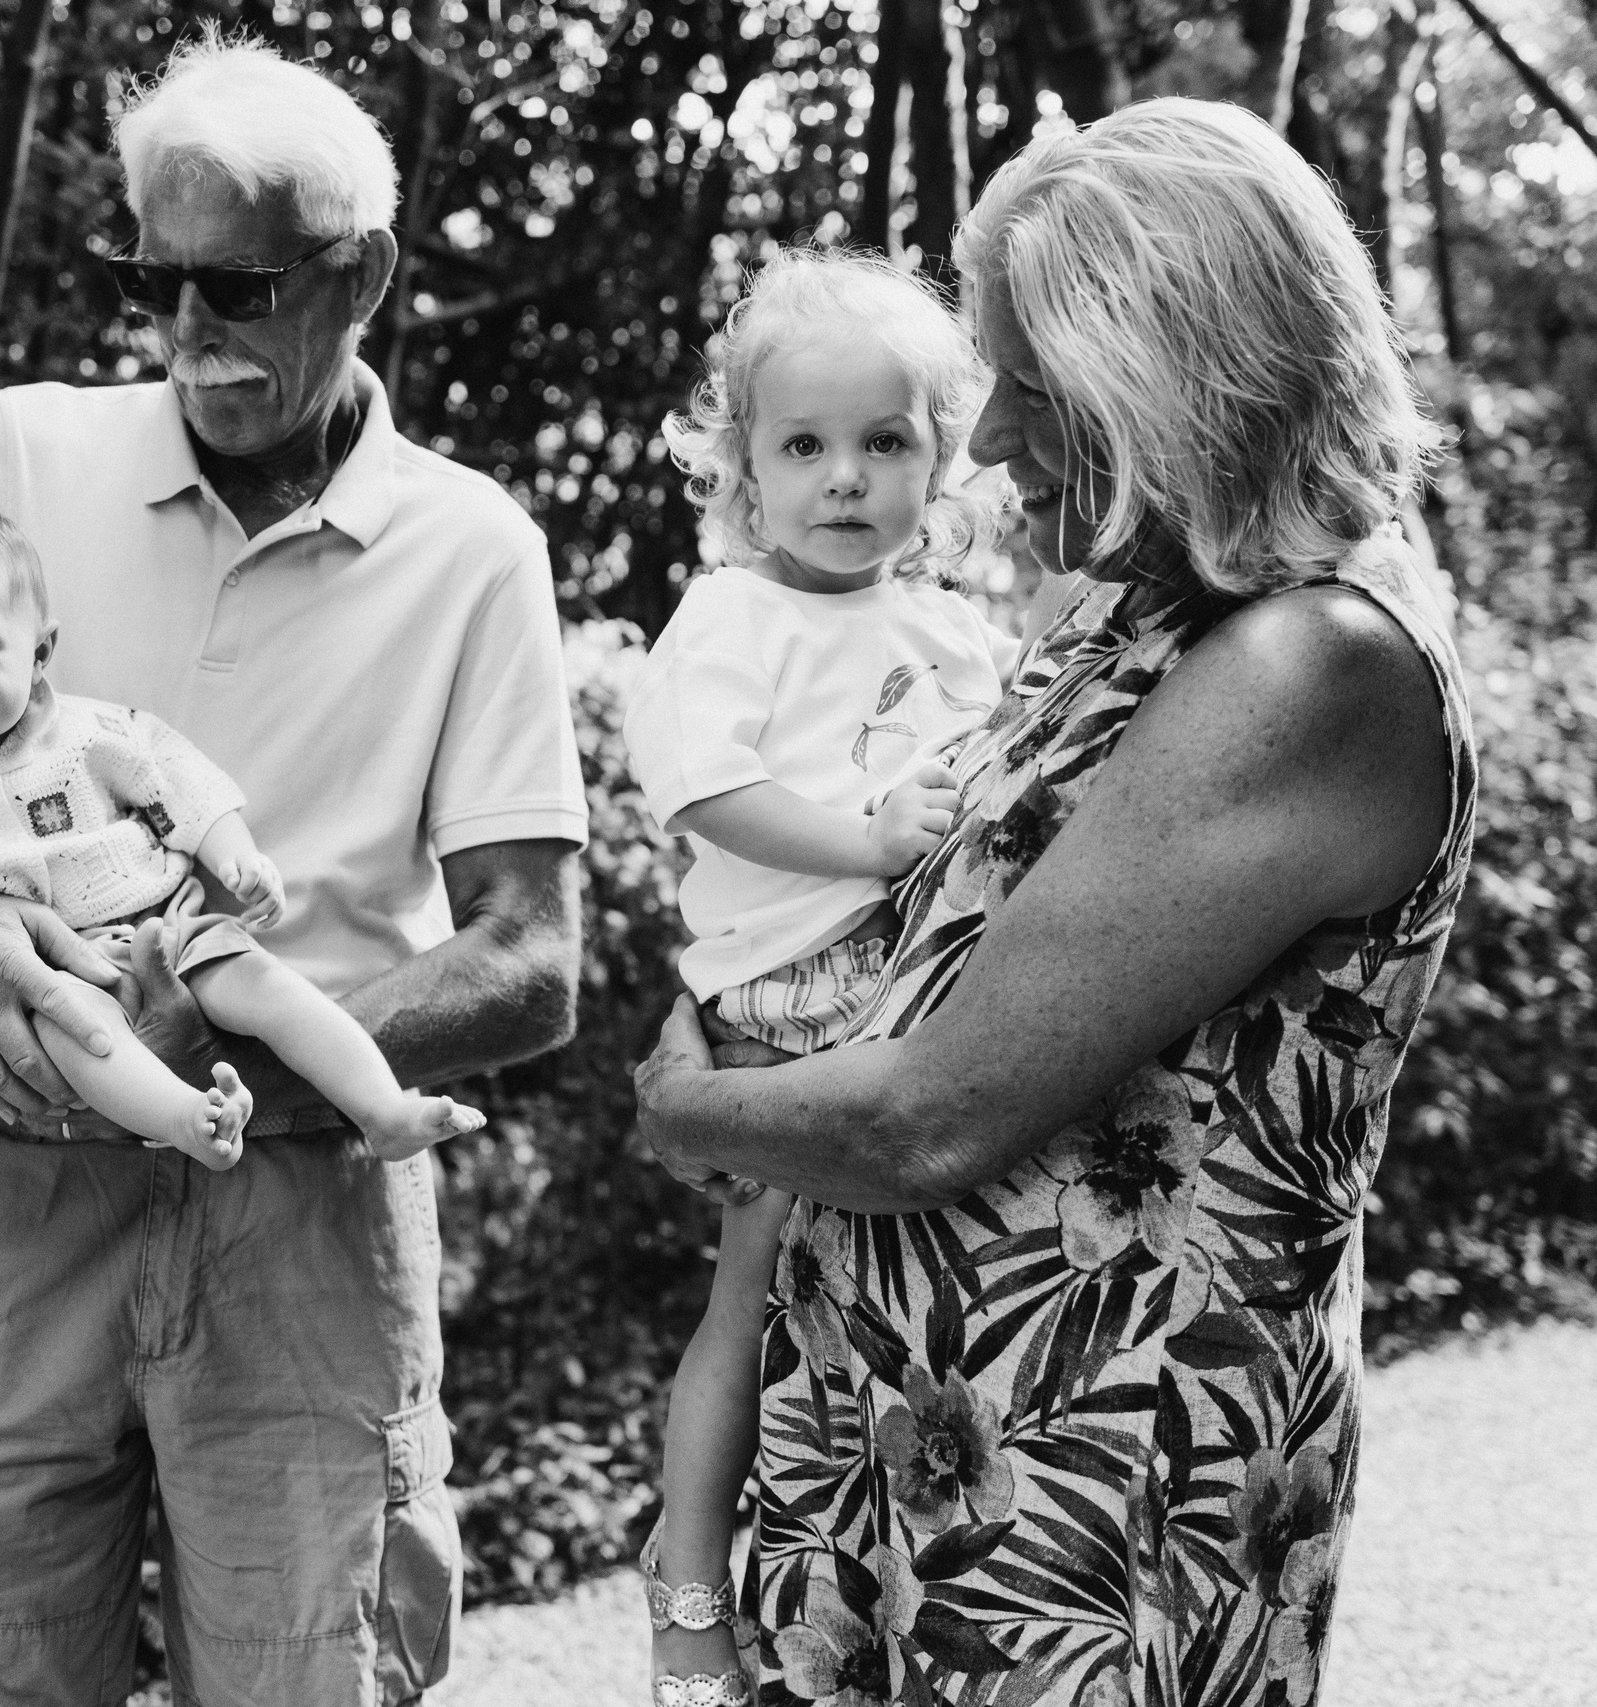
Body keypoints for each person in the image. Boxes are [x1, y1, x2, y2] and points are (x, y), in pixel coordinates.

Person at [632, 98, 1473, 1707]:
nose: (992, 437)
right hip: (917, 1453)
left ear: (1169, 375)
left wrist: (693, 1104)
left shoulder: (1308, 664)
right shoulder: (1122, 615)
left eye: (1026, 381)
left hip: (1082, 1495)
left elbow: (928, 1118)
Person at [0, 34, 585, 1707]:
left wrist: (226, 1043)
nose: (190, 333)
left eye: (239, 287)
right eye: (160, 284)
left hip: (304, 1212)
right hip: (5, 1189)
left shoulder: (470, 547)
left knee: (318, 1676)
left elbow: (532, 959)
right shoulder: (22, 455)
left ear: (359, 273)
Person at [618, 248, 1005, 1707]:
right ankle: (688, 1575)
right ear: (743, 469)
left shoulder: (955, 630)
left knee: (882, 1305)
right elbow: (700, 788)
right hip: (786, 994)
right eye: (804, 445)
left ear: (940, 458)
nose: (846, 478)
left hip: (910, 981)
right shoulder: (733, 615)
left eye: (885, 442)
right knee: (747, 1291)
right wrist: (864, 842)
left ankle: (883, 1572)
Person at [0, 496, 486, 1164]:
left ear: (41, 651)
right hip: (43, 974)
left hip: (168, 926)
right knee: (79, 1036)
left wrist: (235, 853)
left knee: (272, 988)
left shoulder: (88, 734)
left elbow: (179, 778)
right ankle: (188, 1118)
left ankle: (382, 1109)